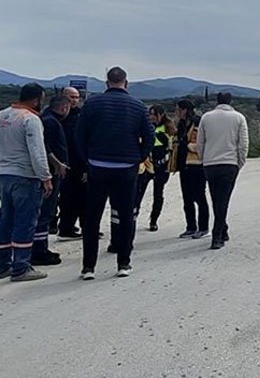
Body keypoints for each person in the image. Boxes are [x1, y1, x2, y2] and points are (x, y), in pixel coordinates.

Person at [75, 67, 153, 280]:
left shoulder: (92, 104)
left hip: (98, 166)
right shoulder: (138, 106)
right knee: (125, 216)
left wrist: (88, 159)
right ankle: (123, 263)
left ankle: (88, 267)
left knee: (92, 217)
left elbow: (79, 135)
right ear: (126, 83)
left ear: (106, 83)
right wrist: (137, 158)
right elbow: (149, 138)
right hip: (126, 168)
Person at [0, 83, 53, 282]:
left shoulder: (2, 115)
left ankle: (3, 264)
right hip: (25, 176)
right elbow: (37, 152)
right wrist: (45, 177)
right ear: (36, 99)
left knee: (5, 220)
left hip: (3, 176)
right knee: (25, 221)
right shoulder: (30, 119)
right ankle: (21, 267)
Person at [197, 92, 249, 250]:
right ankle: (217, 235)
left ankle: (222, 229)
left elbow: (200, 142)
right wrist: (240, 163)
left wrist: (203, 159)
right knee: (223, 200)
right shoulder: (239, 118)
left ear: (217, 101)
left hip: (210, 164)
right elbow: (243, 144)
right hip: (229, 163)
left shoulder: (206, 117)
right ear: (230, 101)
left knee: (216, 199)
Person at [31, 94, 72, 266]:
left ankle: (40, 247)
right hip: (49, 173)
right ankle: (39, 250)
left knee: (46, 211)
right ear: (64, 108)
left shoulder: (48, 119)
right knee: (45, 212)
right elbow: (44, 147)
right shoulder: (50, 122)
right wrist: (57, 164)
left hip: (50, 172)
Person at [134, 105, 176, 232]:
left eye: (154, 114)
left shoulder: (168, 128)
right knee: (138, 192)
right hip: (147, 165)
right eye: (150, 114)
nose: (151, 116)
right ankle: (133, 216)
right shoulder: (146, 126)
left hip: (162, 165)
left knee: (158, 194)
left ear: (161, 114)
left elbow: (171, 147)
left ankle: (153, 220)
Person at [173, 99, 209, 239]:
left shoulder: (198, 122)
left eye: (178, 109)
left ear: (184, 110)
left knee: (199, 197)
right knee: (187, 198)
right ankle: (191, 227)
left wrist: (187, 146)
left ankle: (203, 227)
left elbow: (201, 143)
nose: (176, 112)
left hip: (197, 165)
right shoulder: (182, 124)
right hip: (184, 165)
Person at [56, 86, 86, 240]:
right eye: (71, 97)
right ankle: (65, 227)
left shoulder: (81, 115)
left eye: (76, 97)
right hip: (62, 163)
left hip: (79, 162)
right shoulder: (58, 116)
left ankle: (83, 227)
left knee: (81, 197)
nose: (74, 100)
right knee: (67, 197)